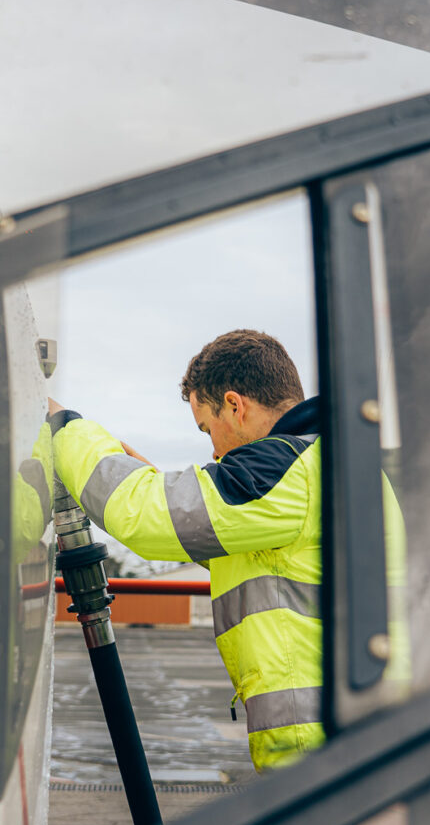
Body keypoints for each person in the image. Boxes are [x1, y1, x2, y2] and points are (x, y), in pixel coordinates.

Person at [48, 328, 407, 772]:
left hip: (327, 750)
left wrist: (66, 429)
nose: (212, 449)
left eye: (207, 428)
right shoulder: (323, 463)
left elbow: (141, 514)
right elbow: (251, 549)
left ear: (235, 406)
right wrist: (162, 484)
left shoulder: (288, 470)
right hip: (356, 734)